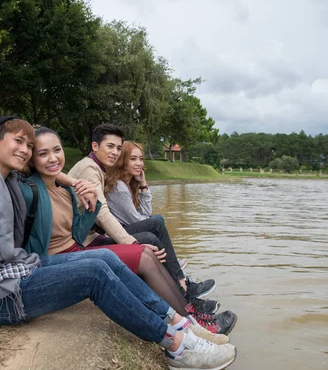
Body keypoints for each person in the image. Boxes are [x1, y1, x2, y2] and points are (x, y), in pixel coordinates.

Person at [0, 116, 236, 370]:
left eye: (28, 143)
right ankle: (177, 346)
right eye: (18, 141)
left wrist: (71, 180)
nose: (24, 149)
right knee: (94, 268)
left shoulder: (6, 178)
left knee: (107, 258)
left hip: (19, 269)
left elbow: (46, 173)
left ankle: (180, 324)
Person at [19, 127, 228, 334]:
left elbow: (78, 230)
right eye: (43, 153)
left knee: (147, 247)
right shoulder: (34, 189)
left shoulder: (65, 189)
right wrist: (130, 242)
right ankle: (188, 317)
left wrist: (91, 200)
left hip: (78, 244)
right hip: (61, 258)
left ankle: (187, 313)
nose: (53, 158)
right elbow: (102, 219)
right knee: (145, 248)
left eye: (57, 150)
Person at [105, 141, 222, 315]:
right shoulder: (120, 188)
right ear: (123, 161)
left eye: (141, 159)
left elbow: (145, 214)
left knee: (155, 226)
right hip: (116, 235)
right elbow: (140, 219)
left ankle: (182, 287)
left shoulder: (129, 185)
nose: (139, 163)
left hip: (126, 229)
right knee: (157, 222)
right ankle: (182, 285)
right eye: (133, 159)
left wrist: (143, 186)